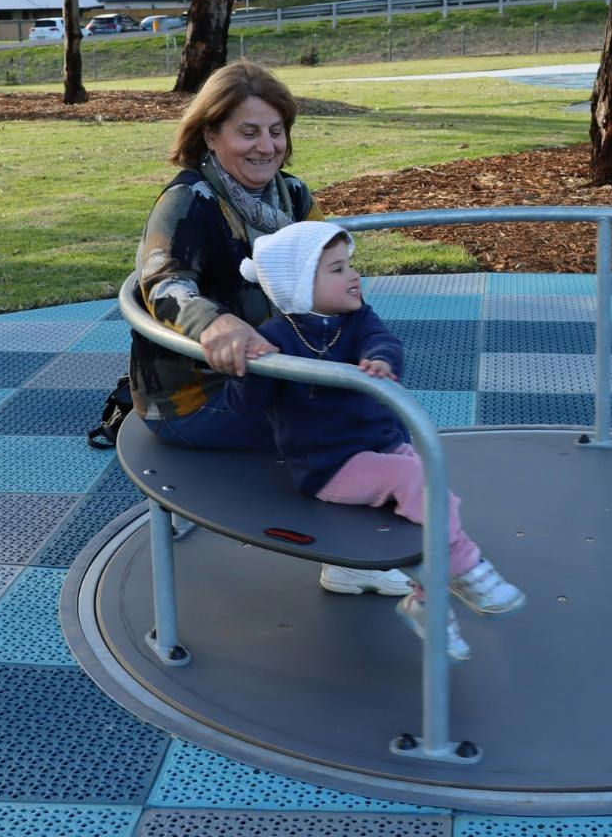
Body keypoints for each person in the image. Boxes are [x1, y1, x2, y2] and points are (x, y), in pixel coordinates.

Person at [129, 61, 408, 598]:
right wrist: (216, 323)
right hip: (198, 395)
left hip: (274, 370)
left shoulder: (294, 197)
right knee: (344, 424)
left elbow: (326, 279)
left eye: (276, 131)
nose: (265, 146)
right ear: (211, 134)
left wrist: (363, 342)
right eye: (247, 131)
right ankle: (352, 557)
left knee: (375, 404)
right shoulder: (191, 202)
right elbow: (164, 280)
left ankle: (386, 519)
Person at [226, 220, 526, 662]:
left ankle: (427, 604)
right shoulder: (276, 337)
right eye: (335, 269)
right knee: (415, 481)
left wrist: (379, 358)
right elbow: (244, 407)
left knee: (437, 499)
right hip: (329, 465)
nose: (353, 276)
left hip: (379, 447)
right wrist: (254, 371)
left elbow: (381, 339)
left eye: (349, 265)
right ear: (298, 285)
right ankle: (468, 569)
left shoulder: (357, 317)